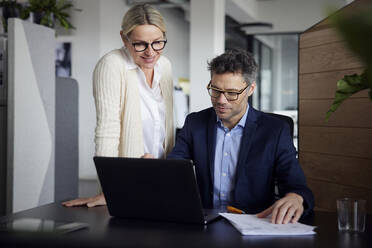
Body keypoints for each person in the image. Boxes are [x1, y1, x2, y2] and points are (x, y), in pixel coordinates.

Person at [167, 49, 314, 224]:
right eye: (215, 90)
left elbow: (295, 183)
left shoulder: (275, 130)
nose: (221, 100)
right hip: (204, 223)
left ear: (251, 89)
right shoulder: (195, 123)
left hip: (254, 225)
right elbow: (173, 169)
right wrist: (156, 169)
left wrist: (295, 197)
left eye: (231, 93)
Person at [62, 4, 174, 208]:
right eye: (140, 44)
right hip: (127, 180)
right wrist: (110, 188)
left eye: (157, 43)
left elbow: (166, 127)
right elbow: (107, 131)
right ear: (124, 38)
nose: (150, 52)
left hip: (164, 175)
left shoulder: (165, 65)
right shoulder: (112, 65)